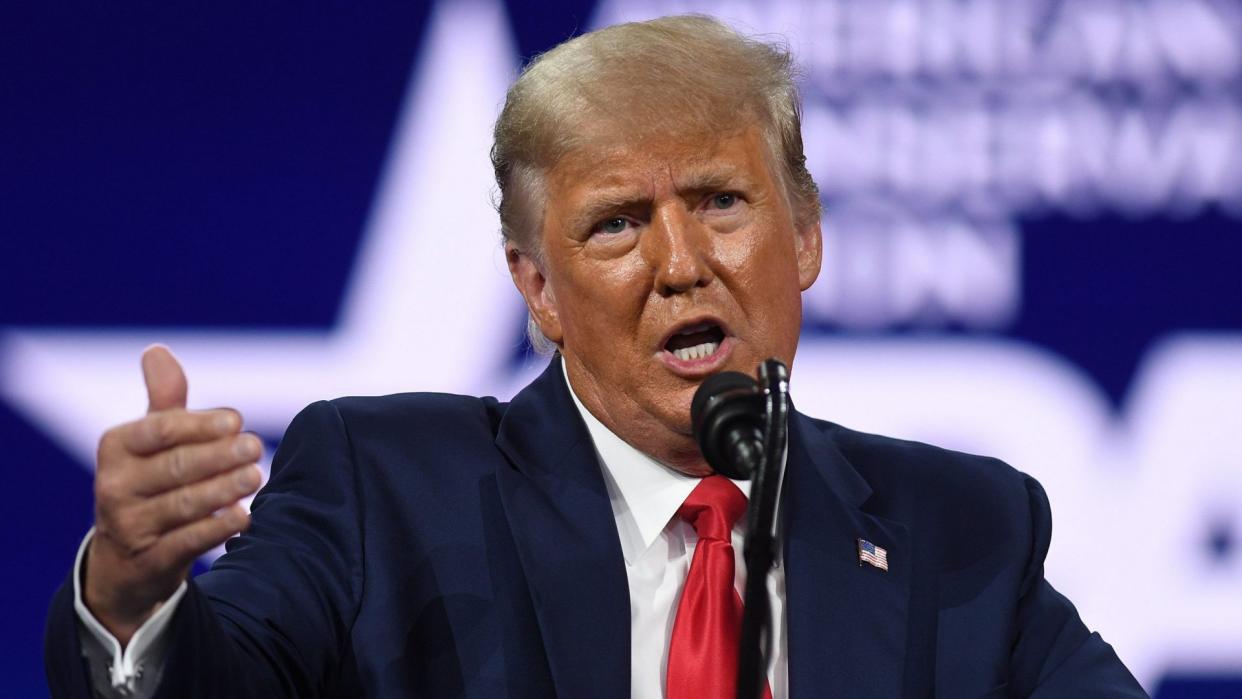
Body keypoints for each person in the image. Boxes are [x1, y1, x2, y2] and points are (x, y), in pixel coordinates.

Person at [45, 15, 1147, 699]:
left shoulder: (955, 526)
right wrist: (135, 599)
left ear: (803, 236)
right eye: (617, 223)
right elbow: (223, 683)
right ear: (539, 288)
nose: (680, 263)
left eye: (721, 202)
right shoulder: (385, 485)